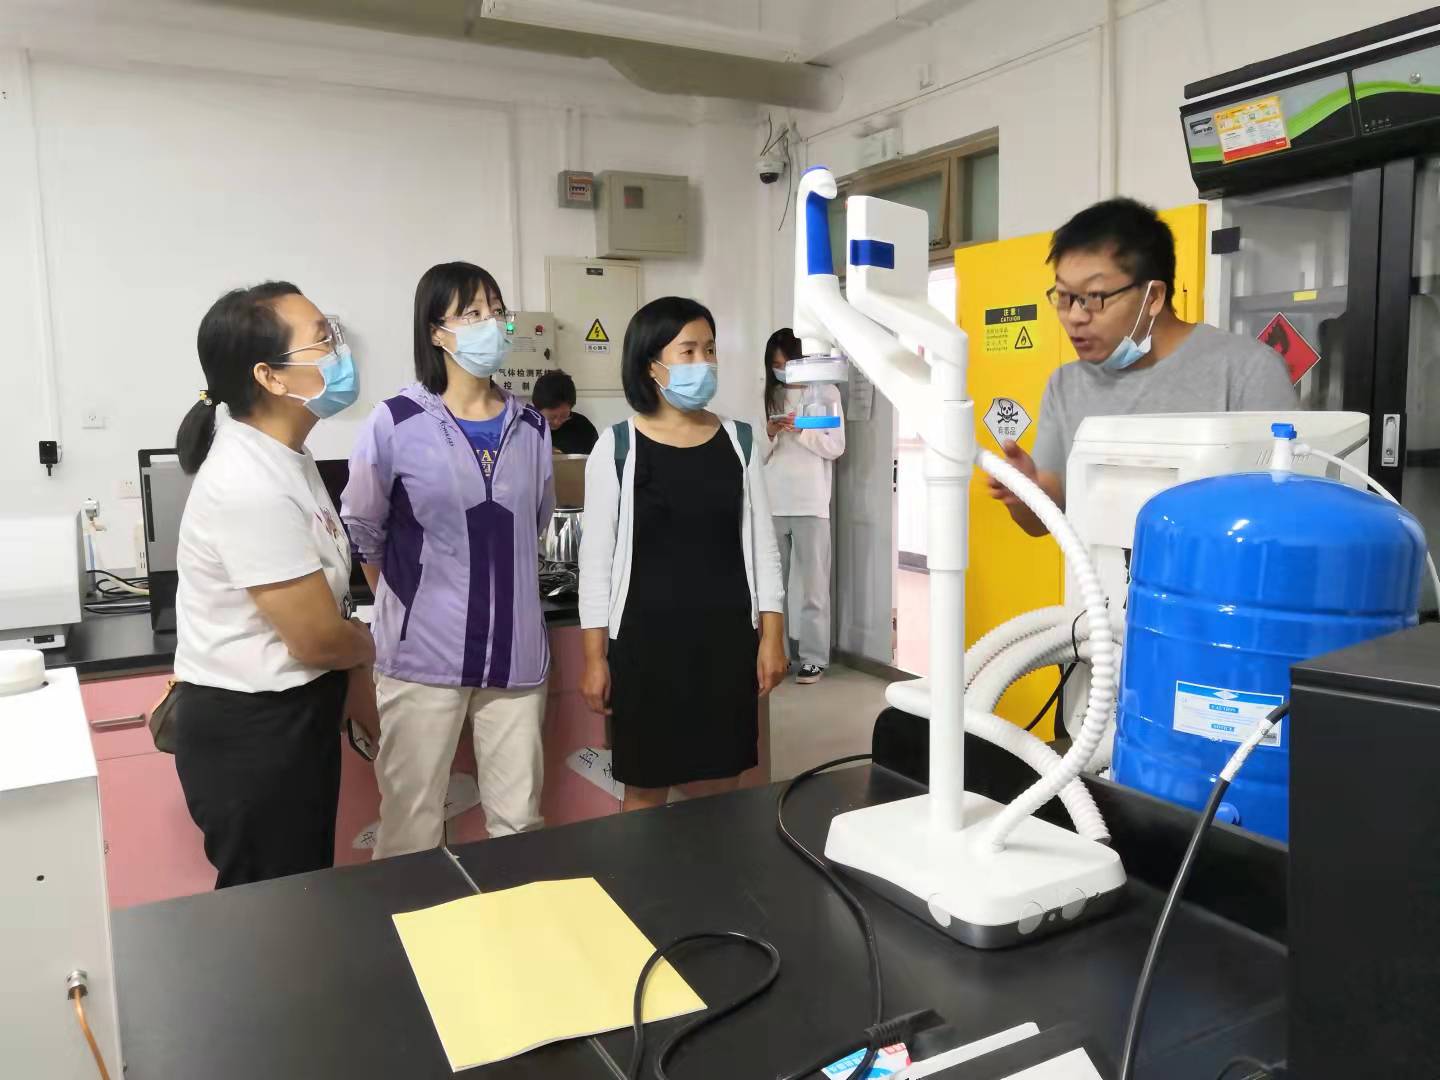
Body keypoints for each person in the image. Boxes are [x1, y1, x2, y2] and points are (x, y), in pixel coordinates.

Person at [343, 262, 555, 858]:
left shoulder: (532, 426)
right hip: (421, 658)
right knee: (410, 824)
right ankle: (407, 920)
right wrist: (409, 606)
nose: (491, 323)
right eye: (471, 313)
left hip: (514, 654)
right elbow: (364, 530)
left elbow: (535, 523)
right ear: (436, 331)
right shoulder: (395, 421)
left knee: (519, 822)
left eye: (496, 310)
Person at [172, 281, 376, 888]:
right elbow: (315, 638)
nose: (340, 351)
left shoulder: (287, 457)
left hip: (293, 714)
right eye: (323, 340)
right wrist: (370, 646)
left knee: (299, 893)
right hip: (254, 729)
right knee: (272, 906)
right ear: (270, 377)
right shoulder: (247, 481)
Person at [578, 296, 787, 812]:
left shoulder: (739, 441)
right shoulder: (618, 447)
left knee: (721, 782)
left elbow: (764, 548)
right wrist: (594, 659)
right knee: (644, 788)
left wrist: (772, 638)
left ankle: (712, 868)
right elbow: (596, 563)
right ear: (651, 364)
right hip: (645, 647)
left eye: (710, 349)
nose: (704, 362)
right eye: (688, 351)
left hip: (726, 642)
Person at [990, 197, 1300, 536]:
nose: (1075, 316)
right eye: (1064, 297)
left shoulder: (1247, 369)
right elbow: (1043, 519)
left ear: (1152, 297)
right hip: (1096, 572)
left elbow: (1287, 514)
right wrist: (1023, 493)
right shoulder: (1066, 384)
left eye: (1094, 297)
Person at [762, 327, 844, 684]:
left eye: (786, 363)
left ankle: (813, 658)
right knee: (772, 587)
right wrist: (770, 433)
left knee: (814, 588)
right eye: (776, 365)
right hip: (774, 501)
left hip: (811, 502)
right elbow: (758, 453)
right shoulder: (770, 394)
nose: (781, 371)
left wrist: (803, 431)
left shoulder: (826, 393)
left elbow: (836, 447)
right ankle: (774, 654)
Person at [533, 369, 599, 454]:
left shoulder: (584, 427)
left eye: (564, 416)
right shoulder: (526, 429)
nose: (557, 422)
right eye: (551, 417)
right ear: (537, 409)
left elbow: (599, 458)